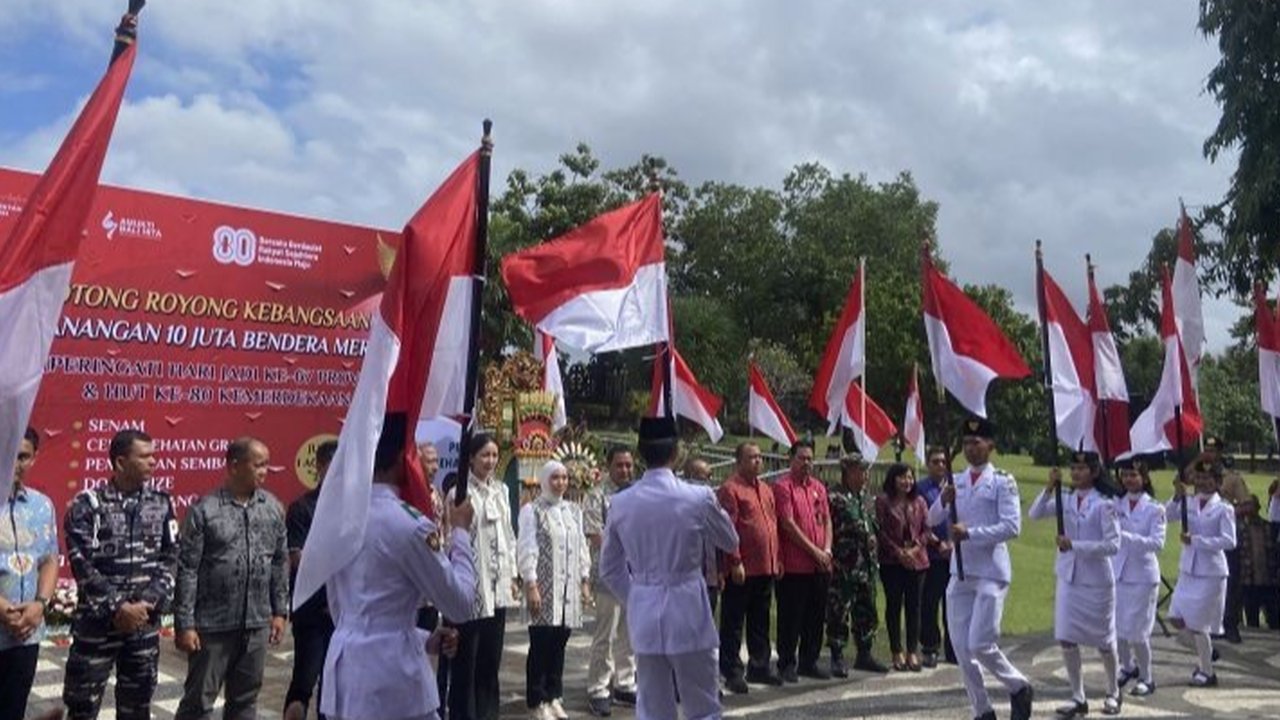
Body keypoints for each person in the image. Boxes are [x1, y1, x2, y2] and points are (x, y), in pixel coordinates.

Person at [320, 419, 476, 720]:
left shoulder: (339, 518)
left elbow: (347, 611)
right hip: (392, 682)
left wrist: (421, 638)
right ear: (402, 459)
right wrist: (461, 532)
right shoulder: (409, 524)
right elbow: (460, 603)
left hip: (347, 673)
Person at [600, 417, 739, 720]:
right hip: (688, 605)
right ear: (676, 453)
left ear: (639, 455)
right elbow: (730, 540)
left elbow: (609, 568)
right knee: (702, 704)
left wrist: (637, 594)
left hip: (645, 609)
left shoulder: (621, 503)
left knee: (652, 707)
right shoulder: (698, 497)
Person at [62, 429, 179, 720]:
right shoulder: (87, 505)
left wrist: (146, 604)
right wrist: (118, 607)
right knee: (81, 708)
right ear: (120, 462)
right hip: (97, 628)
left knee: (137, 709)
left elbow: (172, 557)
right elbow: (81, 563)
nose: (153, 462)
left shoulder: (161, 502)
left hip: (143, 627)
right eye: (145, 456)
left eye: (154, 455)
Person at [173, 437, 288, 719]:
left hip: (256, 624)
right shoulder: (205, 510)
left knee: (245, 701)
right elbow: (187, 569)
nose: (264, 471)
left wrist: (279, 611)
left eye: (267, 465)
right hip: (212, 626)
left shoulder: (272, 508)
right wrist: (185, 623)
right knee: (198, 703)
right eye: (258, 464)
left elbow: (279, 562)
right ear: (234, 466)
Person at [927, 416, 1033, 720]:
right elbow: (933, 519)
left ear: (990, 445)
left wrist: (970, 533)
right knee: (961, 648)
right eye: (966, 443)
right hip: (960, 571)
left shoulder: (1003, 481)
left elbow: (1012, 526)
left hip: (990, 572)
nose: (971, 448)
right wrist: (943, 501)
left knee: (980, 643)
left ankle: (1018, 686)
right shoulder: (955, 480)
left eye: (977, 442)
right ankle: (982, 709)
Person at [1028, 452, 1122, 717]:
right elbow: (1034, 514)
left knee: (1104, 640)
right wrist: (1049, 487)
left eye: (1082, 468)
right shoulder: (1065, 498)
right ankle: (1077, 695)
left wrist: (1075, 546)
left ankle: (1113, 690)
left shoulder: (1105, 503)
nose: (1076, 473)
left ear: (1093, 472)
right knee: (1066, 638)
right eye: (1073, 468)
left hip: (1096, 582)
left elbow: (1113, 545)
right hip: (1069, 577)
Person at [447, 433, 519, 720]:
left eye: (493, 455)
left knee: (490, 662)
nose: (490, 461)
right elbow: (452, 538)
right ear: (471, 459)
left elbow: (510, 536)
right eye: (484, 455)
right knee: (467, 662)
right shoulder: (459, 494)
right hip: (471, 589)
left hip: (497, 588)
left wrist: (512, 575)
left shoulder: (501, 491)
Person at [518, 461, 592, 720]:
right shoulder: (532, 511)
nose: (560, 483)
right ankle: (536, 699)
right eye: (555, 478)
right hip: (544, 588)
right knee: (541, 643)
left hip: (567, 590)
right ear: (544, 480)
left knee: (560, 641)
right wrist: (531, 584)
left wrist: (584, 580)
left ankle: (553, 694)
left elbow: (581, 545)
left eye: (564, 478)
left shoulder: (573, 510)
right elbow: (527, 547)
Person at [716, 442, 783, 693]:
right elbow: (728, 529)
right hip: (742, 568)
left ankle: (760, 665)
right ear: (739, 461)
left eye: (759, 457)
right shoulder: (730, 489)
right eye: (751, 457)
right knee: (734, 622)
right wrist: (735, 561)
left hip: (766, 566)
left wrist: (778, 559)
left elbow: (772, 525)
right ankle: (732, 669)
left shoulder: (765, 489)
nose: (757, 461)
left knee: (760, 620)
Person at [1, 428, 58, 720]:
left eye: (23, 456)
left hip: (25, 635)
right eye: (9, 452)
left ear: (34, 458)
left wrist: (40, 604)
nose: (15, 462)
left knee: (13, 710)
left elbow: (49, 560)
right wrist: (3, 608)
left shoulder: (41, 505)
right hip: (4, 622)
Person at [1166, 455, 1237, 687]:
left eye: (1209, 478)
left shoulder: (1224, 508)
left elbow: (1229, 541)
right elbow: (1167, 516)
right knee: (1176, 618)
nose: (1203, 481)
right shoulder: (1189, 501)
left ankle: (1207, 672)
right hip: (1188, 569)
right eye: (1200, 477)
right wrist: (1177, 496)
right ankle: (1207, 651)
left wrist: (1197, 540)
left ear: (1217, 482)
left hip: (1211, 572)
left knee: (1198, 625)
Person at [582, 447, 639, 717]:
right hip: (609, 574)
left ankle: (625, 683)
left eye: (629, 465)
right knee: (606, 633)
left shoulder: (638, 495)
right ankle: (599, 687)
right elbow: (597, 536)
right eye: (619, 465)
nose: (625, 470)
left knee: (630, 632)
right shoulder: (596, 496)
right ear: (608, 466)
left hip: (636, 574)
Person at [285, 439, 339, 720]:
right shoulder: (302, 508)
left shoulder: (353, 509)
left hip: (344, 615)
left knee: (335, 688)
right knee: (304, 682)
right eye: (334, 465)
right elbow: (299, 560)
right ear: (319, 467)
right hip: (312, 612)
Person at [774, 440, 832, 682]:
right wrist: (813, 551)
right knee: (791, 616)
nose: (807, 463)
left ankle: (809, 660)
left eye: (810, 458)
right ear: (791, 459)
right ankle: (787, 662)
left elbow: (827, 520)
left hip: (820, 565)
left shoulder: (818, 487)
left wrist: (826, 550)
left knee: (815, 616)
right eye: (802, 458)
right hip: (796, 565)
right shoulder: (783, 487)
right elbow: (788, 524)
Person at [826, 453, 888, 678]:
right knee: (839, 612)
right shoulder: (836, 497)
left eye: (866, 471)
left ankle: (864, 654)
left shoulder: (866, 498)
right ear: (849, 472)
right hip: (845, 566)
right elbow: (841, 526)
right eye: (861, 471)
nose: (865, 475)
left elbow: (874, 528)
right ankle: (837, 656)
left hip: (866, 567)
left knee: (866, 611)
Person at [1111, 458, 1166, 698]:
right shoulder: (1115, 504)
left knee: (1138, 632)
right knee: (1118, 629)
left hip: (1143, 576)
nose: (1129, 479)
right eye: (1125, 475)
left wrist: (1125, 536)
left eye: (1134, 475)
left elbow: (1157, 543)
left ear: (1144, 478)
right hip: (1119, 572)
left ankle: (1147, 677)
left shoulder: (1155, 508)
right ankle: (1127, 667)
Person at [876, 462, 931, 673]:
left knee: (914, 607)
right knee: (894, 605)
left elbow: (927, 530)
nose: (907, 481)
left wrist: (914, 550)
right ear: (893, 479)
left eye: (909, 477)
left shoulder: (919, 501)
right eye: (902, 477)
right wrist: (899, 553)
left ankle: (912, 651)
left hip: (918, 563)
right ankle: (896, 650)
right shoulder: (883, 501)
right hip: (892, 563)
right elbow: (880, 531)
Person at [1203, 435, 1248, 644]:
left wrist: (1228, 512)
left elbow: (1248, 504)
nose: (1209, 454)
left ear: (1220, 452)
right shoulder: (1199, 475)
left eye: (1213, 451)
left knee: (1230, 581)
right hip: (1203, 538)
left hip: (1225, 535)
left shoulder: (1232, 478)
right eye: (1207, 450)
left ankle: (1230, 623)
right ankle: (1210, 623)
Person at [916, 446, 956, 667]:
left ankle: (953, 649)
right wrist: (938, 543)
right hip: (932, 555)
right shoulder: (921, 489)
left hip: (954, 556)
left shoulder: (955, 487)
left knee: (953, 604)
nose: (940, 465)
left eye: (943, 461)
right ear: (928, 464)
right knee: (930, 604)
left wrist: (952, 543)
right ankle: (930, 647)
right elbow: (921, 523)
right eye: (935, 461)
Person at [1236, 495, 1279, 630]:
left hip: (1269, 582)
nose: (1248, 509)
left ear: (1258, 507)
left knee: (1275, 620)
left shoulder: (1269, 527)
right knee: (1252, 621)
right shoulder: (1239, 529)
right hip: (1248, 581)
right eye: (1245, 505)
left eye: (1251, 505)